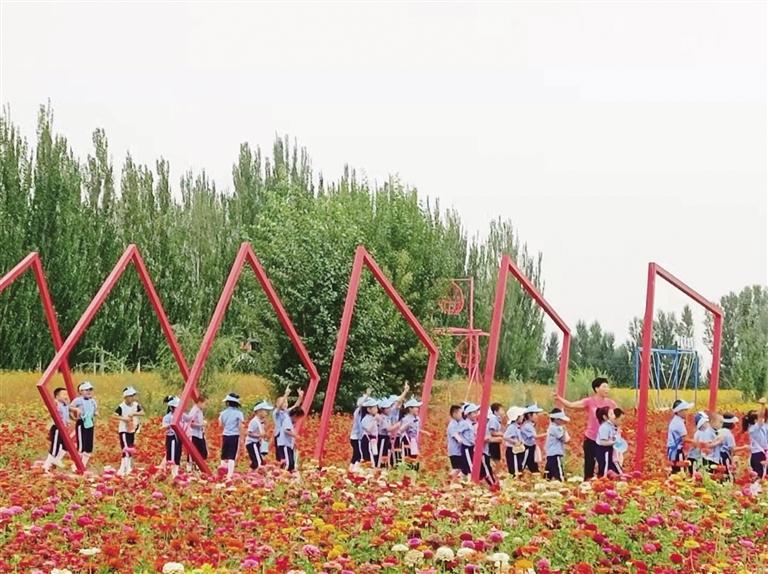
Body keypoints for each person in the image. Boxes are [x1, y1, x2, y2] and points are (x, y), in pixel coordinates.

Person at [554, 377, 617, 480]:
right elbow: (571, 405)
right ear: (597, 389)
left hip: (605, 439)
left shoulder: (611, 404)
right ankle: (587, 483)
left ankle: (602, 483)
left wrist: (617, 433)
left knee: (604, 464)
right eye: (604, 387)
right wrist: (559, 398)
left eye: (607, 387)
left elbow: (617, 420)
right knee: (589, 463)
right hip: (591, 438)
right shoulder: (589, 401)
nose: (607, 389)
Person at [113, 386, 144, 476]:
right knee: (125, 448)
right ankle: (125, 468)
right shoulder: (122, 406)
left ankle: (126, 467)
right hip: (124, 430)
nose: (133, 398)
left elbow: (142, 412)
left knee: (130, 448)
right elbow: (114, 415)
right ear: (126, 397)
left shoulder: (136, 405)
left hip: (132, 429)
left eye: (134, 396)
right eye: (131, 396)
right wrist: (124, 418)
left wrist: (134, 413)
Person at [69, 381, 98, 470]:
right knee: (82, 444)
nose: (88, 392)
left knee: (89, 445)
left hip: (90, 422)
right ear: (80, 391)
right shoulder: (78, 400)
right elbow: (70, 407)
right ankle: (76, 464)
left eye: (90, 390)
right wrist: (76, 410)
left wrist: (96, 413)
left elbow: (95, 410)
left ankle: (83, 465)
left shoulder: (93, 401)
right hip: (82, 422)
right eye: (86, 390)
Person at [273, 386, 304, 467]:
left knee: (285, 456)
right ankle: (280, 468)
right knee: (281, 456)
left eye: (286, 402)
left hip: (285, 436)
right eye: (283, 402)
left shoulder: (286, 412)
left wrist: (300, 397)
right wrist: (286, 394)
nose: (285, 404)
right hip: (279, 436)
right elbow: (279, 406)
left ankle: (283, 468)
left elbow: (295, 406)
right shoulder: (277, 412)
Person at [43, 387, 71, 472]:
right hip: (57, 428)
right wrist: (52, 406)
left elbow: (66, 415)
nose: (66, 396)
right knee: (55, 447)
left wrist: (68, 422)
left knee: (66, 446)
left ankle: (56, 460)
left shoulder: (66, 405)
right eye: (63, 394)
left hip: (64, 429)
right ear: (57, 397)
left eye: (66, 394)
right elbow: (48, 405)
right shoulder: (57, 404)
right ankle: (46, 466)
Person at [219, 392, 244, 479]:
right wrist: (242, 438)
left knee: (224, 455)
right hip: (234, 436)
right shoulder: (239, 413)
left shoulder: (223, 413)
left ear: (227, 403)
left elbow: (221, 425)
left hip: (225, 435)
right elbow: (240, 426)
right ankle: (229, 474)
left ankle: (222, 472)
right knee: (231, 456)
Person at [667, 399, 695, 475]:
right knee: (680, 473)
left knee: (675, 470)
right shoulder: (679, 423)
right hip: (677, 451)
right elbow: (685, 439)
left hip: (672, 451)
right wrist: (697, 443)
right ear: (679, 411)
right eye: (685, 410)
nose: (687, 412)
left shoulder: (676, 420)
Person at [743, 398, 768, 481]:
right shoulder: (754, 428)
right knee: (760, 478)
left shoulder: (758, 428)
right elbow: (761, 416)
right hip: (758, 455)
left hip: (759, 454)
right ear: (755, 420)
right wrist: (763, 405)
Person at [349, 388, 372, 470]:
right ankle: (355, 471)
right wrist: (367, 396)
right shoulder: (358, 412)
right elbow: (360, 404)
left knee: (356, 455)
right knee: (359, 455)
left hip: (359, 438)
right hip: (356, 437)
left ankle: (351, 470)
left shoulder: (367, 415)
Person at [595, 407, 622, 477]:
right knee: (605, 470)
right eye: (611, 414)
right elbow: (603, 442)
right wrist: (615, 442)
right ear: (605, 417)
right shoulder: (604, 427)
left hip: (609, 451)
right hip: (604, 451)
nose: (614, 416)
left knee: (612, 470)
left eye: (613, 413)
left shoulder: (611, 426)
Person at [545, 408, 570, 481]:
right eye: (561, 420)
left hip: (550, 454)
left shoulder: (552, 427)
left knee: (547, 476)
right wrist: (564, 430)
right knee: (559, 476)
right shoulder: (555, 428)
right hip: (555, 454)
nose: (563, 421)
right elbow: (564, 439)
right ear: (556, 419)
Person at [399, 398, 425, 470]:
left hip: (414, 441)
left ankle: (414, 471)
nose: (417, 409)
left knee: (415, 457)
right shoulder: (406, 419)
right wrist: (408, 424)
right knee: (408, 458)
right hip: (407, 440)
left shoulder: (417, 418)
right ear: (410, 409)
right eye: (416, 407)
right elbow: (401, 430)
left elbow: (417, 429)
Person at [246, 401, 273, 471]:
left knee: (256, 461)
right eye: (265, 411)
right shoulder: (254, 421)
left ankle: (250, 473)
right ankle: (258, 475)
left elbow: (262, 432)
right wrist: (259, 435)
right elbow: (248, 433)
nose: (267, 413)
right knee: (258, 463)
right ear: (259, 411)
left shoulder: (260, 421)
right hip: (252, 443)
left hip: (256, 443)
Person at [277, 406, 304, 473]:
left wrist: (293, 443)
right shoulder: (287, 420)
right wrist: (295, 436)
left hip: (288, 445)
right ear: (295, 416)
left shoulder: (290, 422)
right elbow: (286, 431)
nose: (297, 420)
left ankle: (288, 474)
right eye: (298, 418)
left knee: (291, 463)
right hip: (285, 445)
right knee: (288, 463)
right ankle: (283, 474)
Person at [389, 382, 410, 465]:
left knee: (397, 452)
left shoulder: (399, 411)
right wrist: (405, 391)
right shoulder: (391, 410)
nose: (400, 403)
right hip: (390, 435)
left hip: (397, 435)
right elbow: (398, 401)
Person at [520, 404, 546, 474]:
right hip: (527, 448)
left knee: (533, 466)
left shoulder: (530, 425)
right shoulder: (527, 425)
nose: (537, 416)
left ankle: (537, 477)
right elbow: (535, 436)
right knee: (522, 465)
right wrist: (547, 434)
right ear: (529, 415)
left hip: (531, 447)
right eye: (536, 414)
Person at [161, 397, 183, 478]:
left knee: (178, 454)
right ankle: (171, 473)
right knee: (171, 454)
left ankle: (175, 472)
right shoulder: (167, 417)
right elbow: (163, 427)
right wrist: (170, 425)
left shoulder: (181, 416)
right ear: (171, 408)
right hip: (171, 437)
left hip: (179, 437)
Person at [186, 396, 208, 469]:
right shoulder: (194, 410)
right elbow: (189, 422)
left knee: (202, 451)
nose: (205, 406)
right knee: (193, 451)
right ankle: (190, 467)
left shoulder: (199, 410)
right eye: (205, 404)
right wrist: (200, 425)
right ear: (200, 402)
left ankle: (197, 466)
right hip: (194, 434)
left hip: (200, 433)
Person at [503, 406, 526, 476]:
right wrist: (514, 441)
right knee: (515, 471)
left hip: (517, 450)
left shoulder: (517, 426)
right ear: (517, 417)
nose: (523, 417)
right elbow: (505, 437)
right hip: (513, 451)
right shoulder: (512, 427)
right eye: (521, 416)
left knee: (519, 468)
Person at [376, 397, 397, 468]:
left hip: (386, 438)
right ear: (383, 409)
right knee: (382, 454)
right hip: (382, 438)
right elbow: (388, 429)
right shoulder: (382, 417)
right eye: (387, 408)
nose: (389, 409)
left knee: (388, 454)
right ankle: (382, 468)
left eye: (390, 407)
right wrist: (398, 424)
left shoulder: (386, 417)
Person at [446, 405, 466, 479]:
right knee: (457, 468)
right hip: (455, 451)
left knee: (460, 468)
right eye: (461, 413)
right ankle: (449, 480)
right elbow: (456, 436)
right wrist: (464, 441)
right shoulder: (452, 425)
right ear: (454, 414)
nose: (462, 415)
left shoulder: (458, 423)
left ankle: (453, 481)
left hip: (458, 451)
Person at [359, 398, 380, 467]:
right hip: (367, 440)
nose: (377, 409)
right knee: (368, 459)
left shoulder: (373, 417)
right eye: (375, 408)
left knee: (374, 457)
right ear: (368, 409)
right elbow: (369, 430)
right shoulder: (365, 419)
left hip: (373, 440)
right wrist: (374, 420)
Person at [488, 403, 505, 474]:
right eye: (501, 410)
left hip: (496, 442)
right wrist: (502, 434)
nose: (503, 412)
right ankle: (496, 474)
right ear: (495, 411)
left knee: (497, 460)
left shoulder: (497, 419)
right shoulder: (493, 419)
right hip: (493, 443)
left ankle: (496, 474)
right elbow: (492, 432)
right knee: (496, 460)